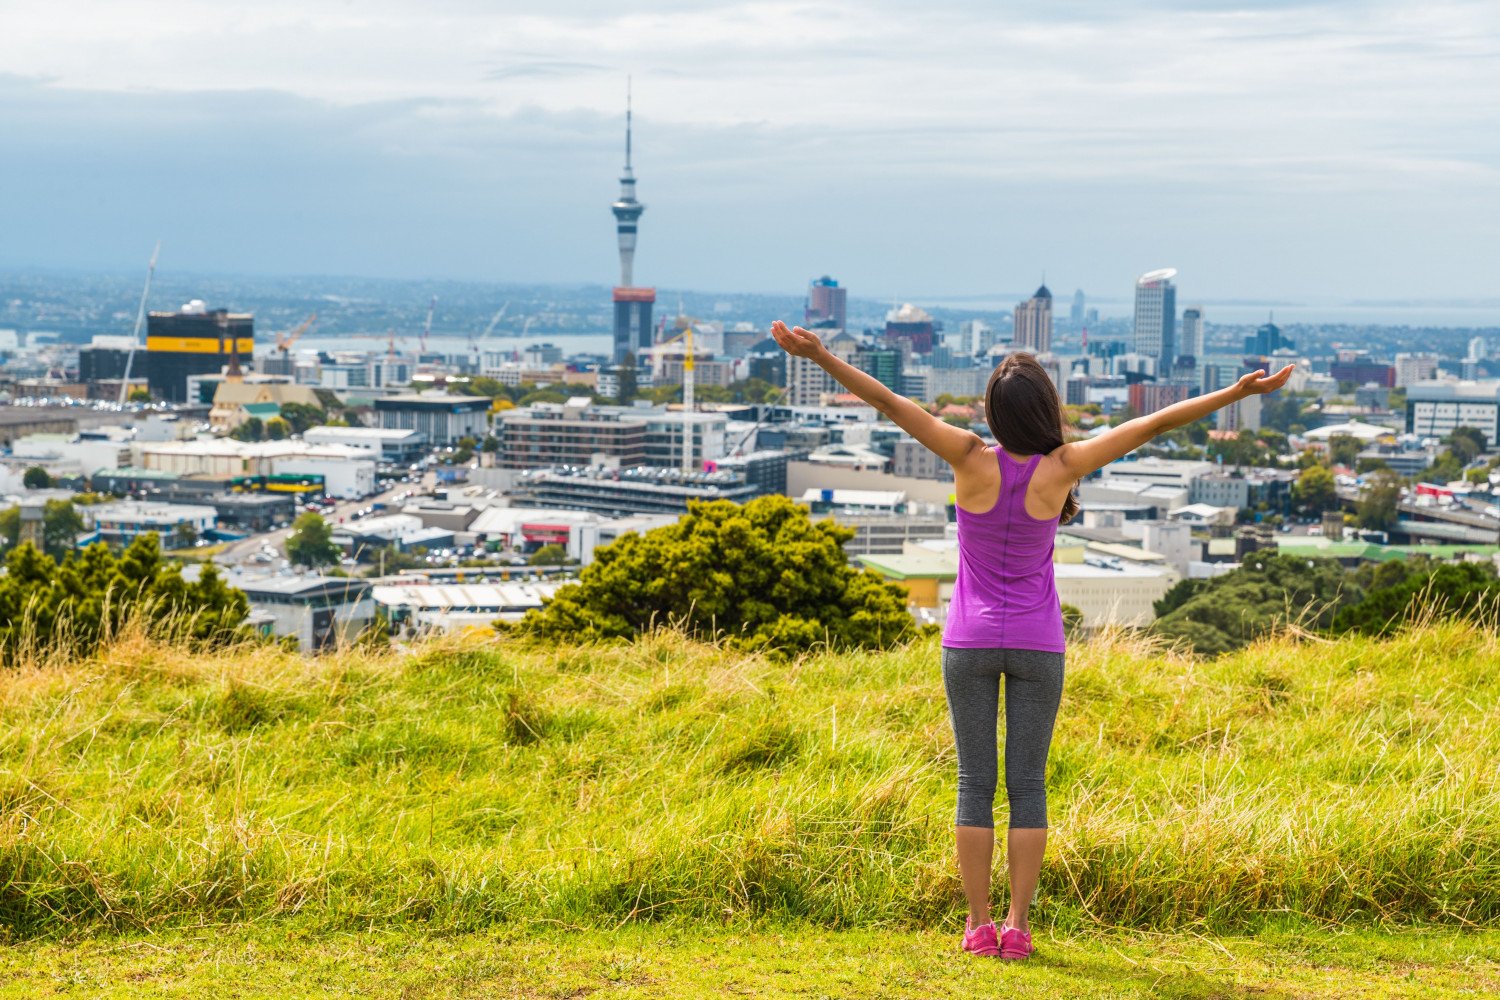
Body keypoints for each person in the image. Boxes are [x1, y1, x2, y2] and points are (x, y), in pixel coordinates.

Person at [770, 320, 1292, 960]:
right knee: (1028, 784)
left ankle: (977, 924)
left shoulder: (965, 454)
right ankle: (1017, 925)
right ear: (1046, 410)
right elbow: (1153, 427)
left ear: (993, 411)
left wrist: (820, 354)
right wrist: (1233, 394)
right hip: (1039, 643)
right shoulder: (1065, 467)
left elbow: (885, 401)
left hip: (968, 639)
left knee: (973, 781)